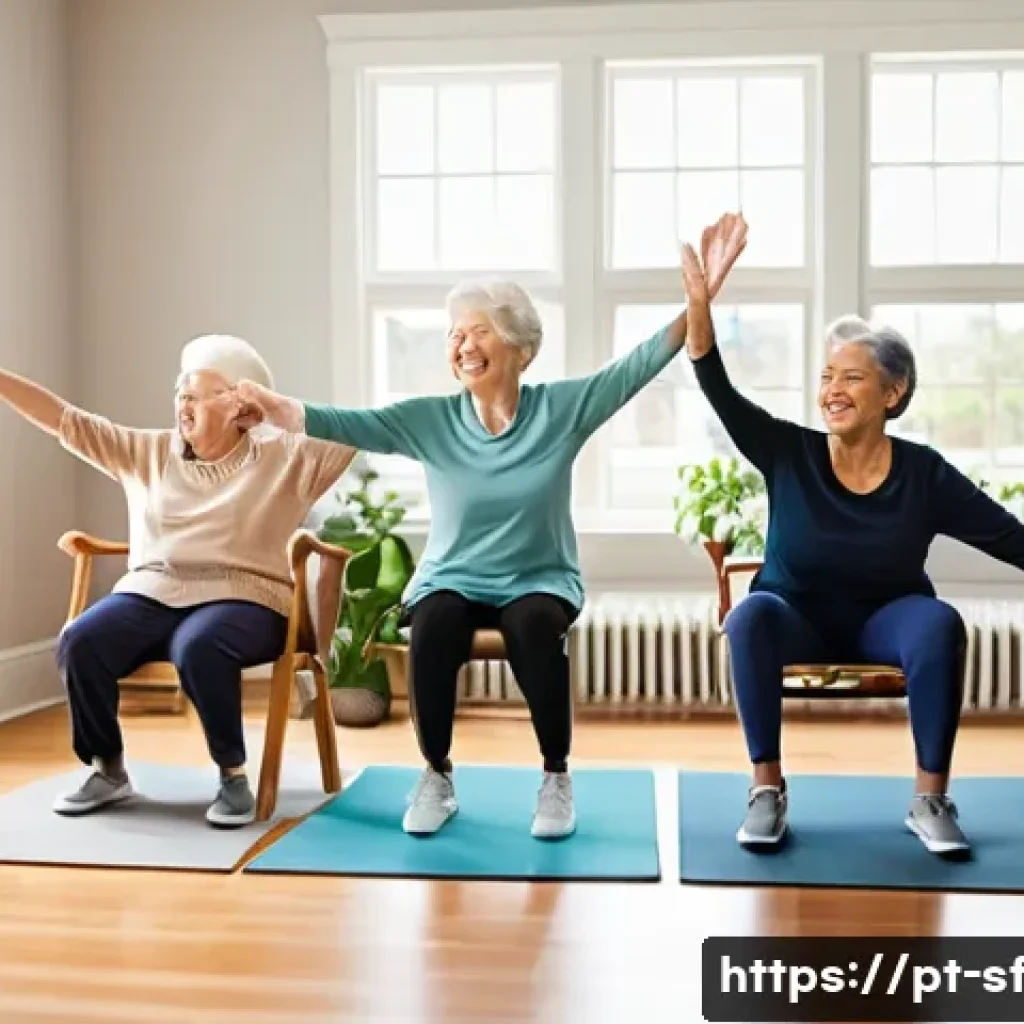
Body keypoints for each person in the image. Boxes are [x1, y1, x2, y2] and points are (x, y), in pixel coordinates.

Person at [235, 215, 749, 840]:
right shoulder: (430, 420)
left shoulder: (561, 410)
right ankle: (436, 775)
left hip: (539, 579)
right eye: (455, 334)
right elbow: (347, 422)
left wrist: (698, 302)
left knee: (533, 627)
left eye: (479, 330)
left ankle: (556, 778)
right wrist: (274, 407)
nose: (463, 344)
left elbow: (636, 367)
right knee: (433, 626)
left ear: (519, 347)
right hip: (452, 577)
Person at [680, 224, 1024, 857]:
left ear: (893, 392)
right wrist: (701, 304)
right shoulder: (788, 452)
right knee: (749, 616)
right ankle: (766, 790)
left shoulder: (923, 474)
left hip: (884, 623)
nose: (832, 391)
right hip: (795, 618)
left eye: (852, 378)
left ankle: (930, 800)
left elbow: (1009, 536)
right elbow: (714, 383)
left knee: (939, 624)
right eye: (826, 376)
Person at [0, 336, 356, 827]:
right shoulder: (146, 451)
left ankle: (232, 775)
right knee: (81, 639)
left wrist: (275, 412)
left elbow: (351, 436)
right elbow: (65, 420)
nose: (182, 404)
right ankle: (108, 769)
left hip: (248, 596)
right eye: (180, 393)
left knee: (200, 644)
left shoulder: (287, 459)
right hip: (152, 591)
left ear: (239, 406)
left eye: (197, 395)